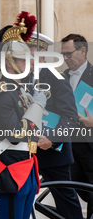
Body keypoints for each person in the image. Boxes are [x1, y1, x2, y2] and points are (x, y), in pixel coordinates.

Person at [0, 12, 44, 219]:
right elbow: (15, 134)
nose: (29, 63)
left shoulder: (18, 90)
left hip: (26, 163)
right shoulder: (1, 92)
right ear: (9, 63)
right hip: (10, 165)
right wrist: (36, 108)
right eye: (22, 60)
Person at [27, 32, 83, 218]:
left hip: (53, 153)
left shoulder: (56, 78)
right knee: (17, 196)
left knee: (66, 201)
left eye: (30, 49)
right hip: (24, 150)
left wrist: (51, 139)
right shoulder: (20, 77)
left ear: (42, 52)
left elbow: (70, 116)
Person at [61, 33, 93, 219]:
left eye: (69, 54)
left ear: (83, 51)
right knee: (65, 189)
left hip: (89, 147)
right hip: (67, 145)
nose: (65, 58)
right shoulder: (61, 78)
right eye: (63, 55)